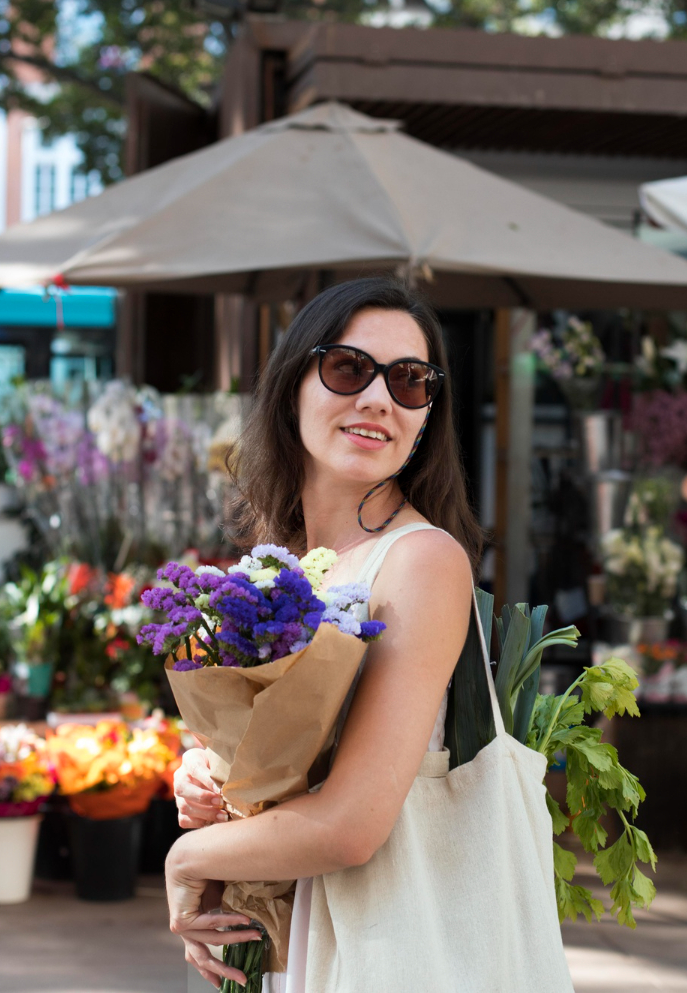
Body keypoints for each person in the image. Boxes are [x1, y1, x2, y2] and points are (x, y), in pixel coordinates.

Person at [166, 277, 485, 989]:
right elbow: (274, 756)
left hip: (373, 946)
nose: (379, 398)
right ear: (291, 387)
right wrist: (213, 778)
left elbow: (351, 825)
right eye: (349, 367)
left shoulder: (421, 561)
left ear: (429, 413)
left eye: (411, 381)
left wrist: (188, 860)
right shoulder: (277, 572)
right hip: (285, 929)